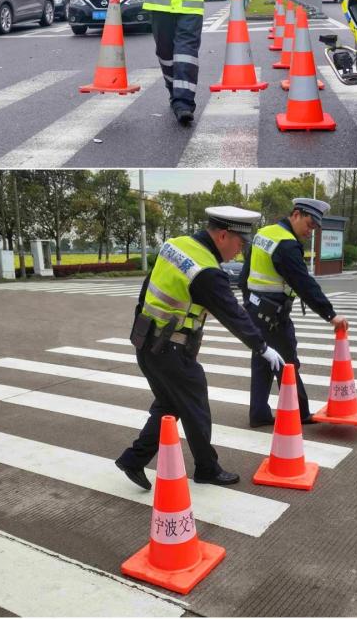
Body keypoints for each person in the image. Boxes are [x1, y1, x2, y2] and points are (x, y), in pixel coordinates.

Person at [115, 206, 284, 490]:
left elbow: (147, 288)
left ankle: (133, 459)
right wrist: (263, 347)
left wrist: (140, 327)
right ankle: (207, 468)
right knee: (196, 408)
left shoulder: (175, 245)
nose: (240, 252)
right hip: (171, 351)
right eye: (239, 244)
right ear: (222, 235)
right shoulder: (206, 271)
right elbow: (234, 315)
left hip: (146, 342)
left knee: (170, 406)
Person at [239, 198, 349, 428]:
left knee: (262, 361)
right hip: (273, 315)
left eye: (314, 228)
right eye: (309, 224)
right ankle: (300, 412)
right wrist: (330, 314)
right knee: (288, 363)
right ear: (296, 214)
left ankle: (258, 414)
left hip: (255, 308)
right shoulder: (287, 244)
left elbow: (244, 276)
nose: (310, 232)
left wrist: (250, 302)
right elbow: (304, 284)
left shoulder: (264, 234)